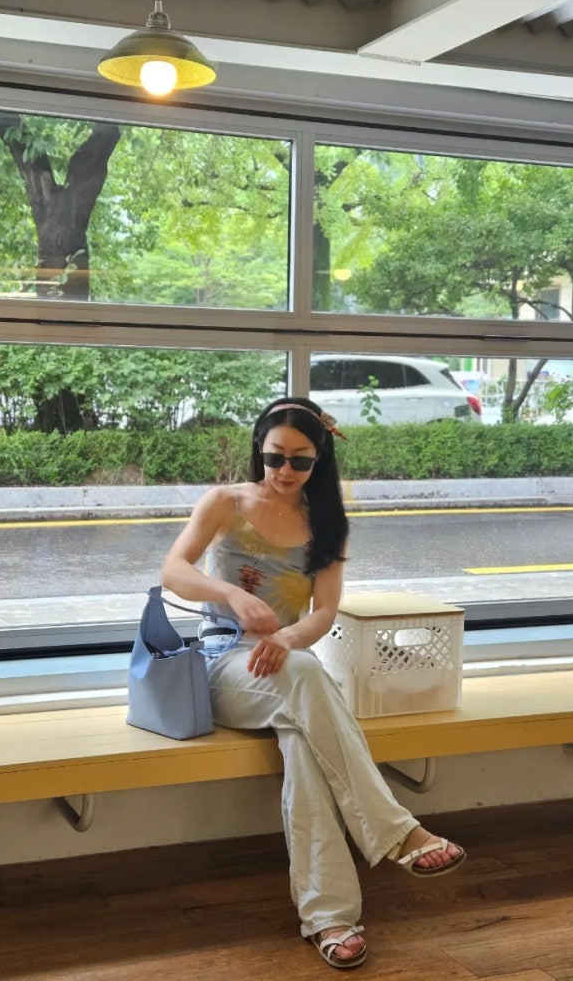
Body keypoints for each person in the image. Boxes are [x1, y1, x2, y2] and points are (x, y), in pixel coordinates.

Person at [161, 396, 466, 969]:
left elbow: (324, 612)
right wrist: (230, 595)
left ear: (319, 460)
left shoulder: (327, 524)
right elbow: (173, 570)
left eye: (300, 461)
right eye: (275, 456)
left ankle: (330, 918)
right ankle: (397, 833)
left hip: (289, 668)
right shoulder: (225, 502)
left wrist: (288, 637)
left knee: (305, 748)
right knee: (305, 677)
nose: (285, 471)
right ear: (260, 448)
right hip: (224, 664)